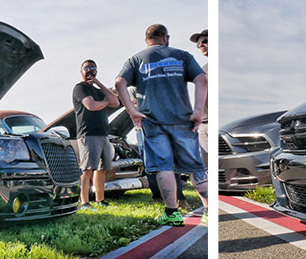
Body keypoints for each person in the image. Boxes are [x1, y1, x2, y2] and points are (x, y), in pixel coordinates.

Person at [116, 24, 209, 226]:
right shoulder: (182, 55)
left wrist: (132, 112)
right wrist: (198, 112)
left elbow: (119, 83)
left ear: (146, 40)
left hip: (153, 122)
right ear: (166, 38)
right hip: (183, 119)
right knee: (195, 166)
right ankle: (209, 211)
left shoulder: (136, 59)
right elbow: (202, 79)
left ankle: (172, 213)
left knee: (164, 167)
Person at [72, 59, 121, 209]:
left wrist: (99, 84)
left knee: (102, 169)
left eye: (92, 67)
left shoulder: (98, 91)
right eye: (86, 67)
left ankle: (100, 200)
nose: (89, 70)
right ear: (81, 71)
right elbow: (91, 105)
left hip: (103, 134)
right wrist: (105, 102)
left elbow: (116, 102)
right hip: (88, 134)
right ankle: (84, 202)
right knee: (87, 169)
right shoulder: (80, 88)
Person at [189, 29, 209, 164]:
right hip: (204, 123)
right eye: (198, 44)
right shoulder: (204, 68)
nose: (201, 45)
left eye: (205, 41)